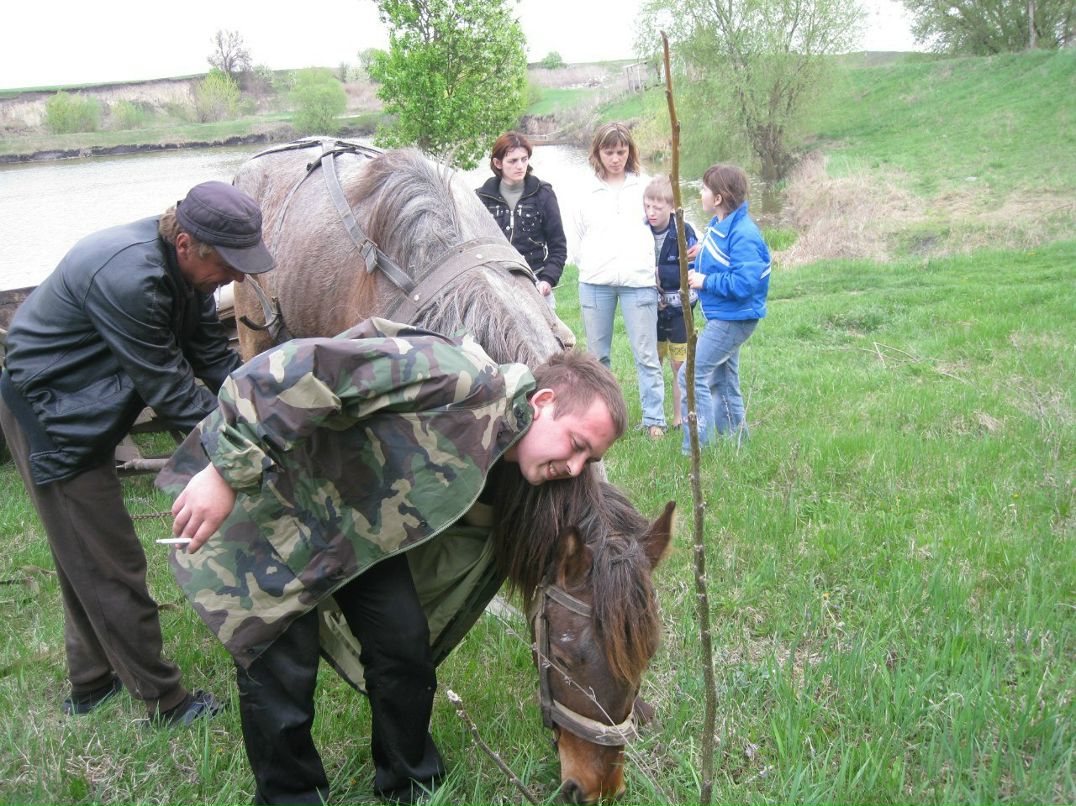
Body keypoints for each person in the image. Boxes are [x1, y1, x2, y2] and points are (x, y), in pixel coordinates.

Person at [158, 318, 627, 806]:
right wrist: (224, 471)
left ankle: (411, 782)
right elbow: (301, 366)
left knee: (404, 645)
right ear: (543, 402)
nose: (573, 469)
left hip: (351, 527)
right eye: (576, 445)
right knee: (282, 673)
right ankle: (289, 796)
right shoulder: (458, 377)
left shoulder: (507, 442)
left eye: (587, 460)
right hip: (275, 504)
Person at [0, 181, 275, 724]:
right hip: (51, 414)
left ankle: (89, 684)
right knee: (111, 561)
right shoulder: (130, 277)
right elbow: (172, 393)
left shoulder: (189, 275)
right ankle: (164, 700)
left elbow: (210, 360)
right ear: (186, 243)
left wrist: (262, 407)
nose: (240, 277)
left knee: (82, 553)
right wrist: (238, 460)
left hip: (88, 399)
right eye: (230, 262)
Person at [574, 122, 667, 438]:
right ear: (597, 153)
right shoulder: (583, 189)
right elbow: (578, 234)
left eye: (621, 151)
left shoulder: (644, 187)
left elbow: (663, 223)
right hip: (595, 281)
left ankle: (655, 420)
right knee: (597, 358)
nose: (616, 158)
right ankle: (605, 421)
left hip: (638, 282)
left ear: (630, 152)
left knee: (646, 355)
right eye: (609, 152)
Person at [681, 164, 771, 450]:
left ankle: (697, 447)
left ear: (718, 198)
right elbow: (725, 259)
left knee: (690, 375)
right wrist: (700, 256)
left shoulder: (744, 233)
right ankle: (736, 445)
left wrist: (705, 280)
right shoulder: (722, 225)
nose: (701, 192)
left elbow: (746, 283)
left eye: (705, 188)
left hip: (734, 319)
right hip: (727, 316)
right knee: (724, 380)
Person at [475, 131, 567, 308]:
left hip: (536, 283)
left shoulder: (543, 194)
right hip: (494, 287)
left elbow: (558, 246)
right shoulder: (480, 198)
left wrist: (547, 280)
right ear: (497, 163)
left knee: (558, 335)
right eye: (513, 161)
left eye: (524, 159)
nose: (520, 166)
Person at [644, 175, 698, 430]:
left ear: (672, 207)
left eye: (658, 207)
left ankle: (679, 417)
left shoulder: (683, 231)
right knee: (653, 361)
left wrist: (660, 274)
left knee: (679, 364)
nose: (651, 213)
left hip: (678, 312)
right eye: (647, 206)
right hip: (651, 311)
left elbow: (689, 271)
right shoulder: (640, 229)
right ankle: (654, 416)